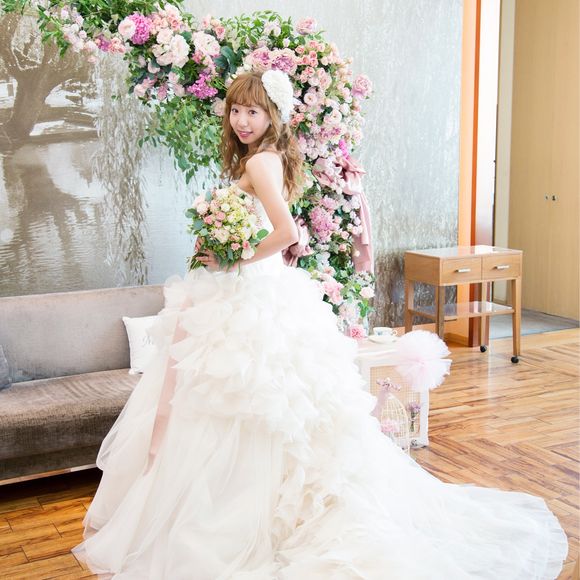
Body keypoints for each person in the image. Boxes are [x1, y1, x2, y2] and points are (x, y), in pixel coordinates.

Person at [72, 71, 567, 579]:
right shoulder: (268, 158)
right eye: (236, 110)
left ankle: (246, 521)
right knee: (260, 403)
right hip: (259, 291)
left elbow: (286, 232)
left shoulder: (260, 161)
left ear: (273, 116)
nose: (241, 120)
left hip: (249, 293)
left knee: (246, 399)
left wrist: (231, 256)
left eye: (253, 112)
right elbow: (281, 231)